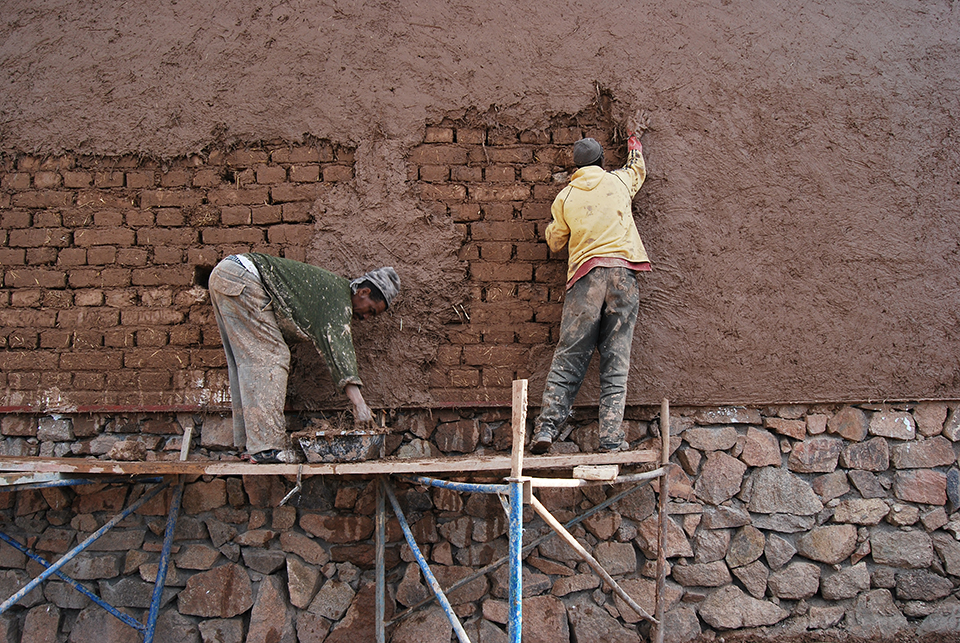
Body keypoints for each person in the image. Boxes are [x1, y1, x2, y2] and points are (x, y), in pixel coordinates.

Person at [530, 113, 650, 454]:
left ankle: (546, 429)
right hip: (623, 278)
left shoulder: (565, 197)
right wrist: (633, 138)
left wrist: (556, 226)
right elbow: (637, 169)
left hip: (586, 280)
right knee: (616, 362)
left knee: (569, 355)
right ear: (601, 161)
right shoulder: (619, 181)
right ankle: (611, 439)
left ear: (576, 167)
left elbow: (555, 242)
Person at [208, 253, 400, 463]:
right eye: (370, 310)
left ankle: (249, 444)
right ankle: (266, 448)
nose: (365, 318)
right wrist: (359, 404)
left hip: (228, 274)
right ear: (364, 291)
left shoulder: (332, 291)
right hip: (243, 277)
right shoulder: (338, 299)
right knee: (272, 356)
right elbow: (339, 352)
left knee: (246, 362)